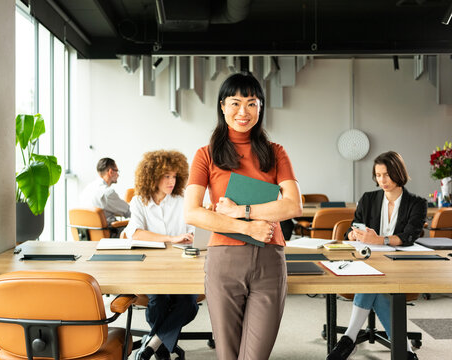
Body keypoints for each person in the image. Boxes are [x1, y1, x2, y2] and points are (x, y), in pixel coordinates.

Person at [184, 72, 302, 360]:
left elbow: (293, 206)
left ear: (260, 108)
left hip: (269, 260)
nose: (243, 112)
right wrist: (248, 228)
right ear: (222, 106)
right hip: (224, 259)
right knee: (227, 354)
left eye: (252, 103)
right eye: (235, 103)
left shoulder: (276, 153)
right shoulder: (206, 155)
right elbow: (192, 212)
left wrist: (242, 211)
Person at [326, 151, 427, 360]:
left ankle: (348, 340)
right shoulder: (368, 199)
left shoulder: (417, 203)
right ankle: (405, 352)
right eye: (378, 175)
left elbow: (409, 236)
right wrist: (353, 234)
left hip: (400, 265)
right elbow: (353, 228)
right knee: (372, 281)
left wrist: (380, 240)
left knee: (371, 281)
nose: (382, 180)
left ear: (399, 173)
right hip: (369, 261)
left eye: (387, 175)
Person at [122, 150, 199, 360]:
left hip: (182, 266)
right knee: (158, 300)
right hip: (150, 267)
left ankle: (152, 344)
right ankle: (162, 347)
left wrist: (193, 234)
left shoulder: (182, 200)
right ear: (152, 175)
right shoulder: (139, 201)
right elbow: (135, 233)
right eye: (166, 176)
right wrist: (171, 238)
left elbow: (195, 230)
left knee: (189, 305)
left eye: (174, 176)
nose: (171, 181)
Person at [80, 157, 131, 237]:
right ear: (111, 172)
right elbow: (129, 211)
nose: (118, 175)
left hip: (89, 236)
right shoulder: (107, 193)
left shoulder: (87, 189)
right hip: (110, 235)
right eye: (117, 171)